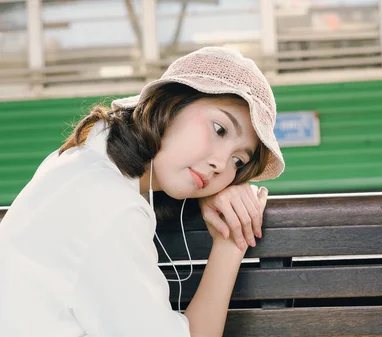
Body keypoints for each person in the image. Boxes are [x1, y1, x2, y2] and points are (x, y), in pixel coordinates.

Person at [0, 47, 285, 337]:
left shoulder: (81, 162)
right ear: (169, 105)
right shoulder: (112, 207)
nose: (220, 164)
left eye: (238, 161)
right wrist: (229, 242)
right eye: (219, 129)